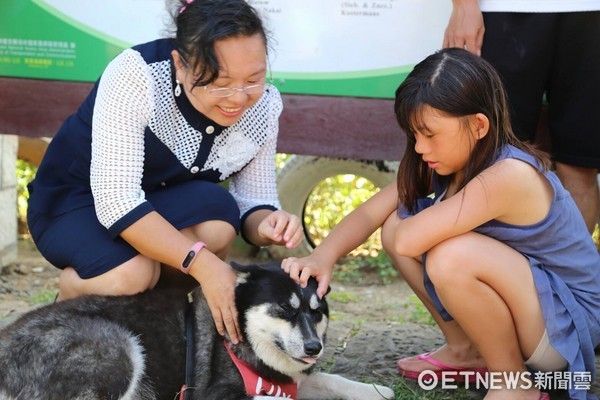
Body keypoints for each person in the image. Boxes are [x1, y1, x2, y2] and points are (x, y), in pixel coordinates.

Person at [283, 48, 600, 400]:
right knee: (394, 224)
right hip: (536, 312)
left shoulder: (509, 175)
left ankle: (515, 384)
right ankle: (467, 350)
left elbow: (408, 243)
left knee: (449, 254)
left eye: (430, 134)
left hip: (566, 330)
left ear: (479, 125)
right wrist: (322, 256)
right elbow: (373, 214)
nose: (419, 147)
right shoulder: (450, 163)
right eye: (414, 135)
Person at [26, 0, 303, 345]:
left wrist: (267, 224)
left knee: (217, 225)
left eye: (254, 78)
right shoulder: (137, 75)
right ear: (180, 65)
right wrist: (204, 265)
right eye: (218, 81)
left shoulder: (262, 105)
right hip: (77, 200)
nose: (238, 97)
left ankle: (150, 322)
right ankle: (72, 295)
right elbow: (117, 201)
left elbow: (254, 199)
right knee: (130, 274)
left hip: (157, 200)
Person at [443, 0, 600, 234]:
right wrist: (463, 6)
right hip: (502, 10)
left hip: (591, 12)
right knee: (487, 159)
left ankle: (572, 269)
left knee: (580, 163)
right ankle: (481, 268)